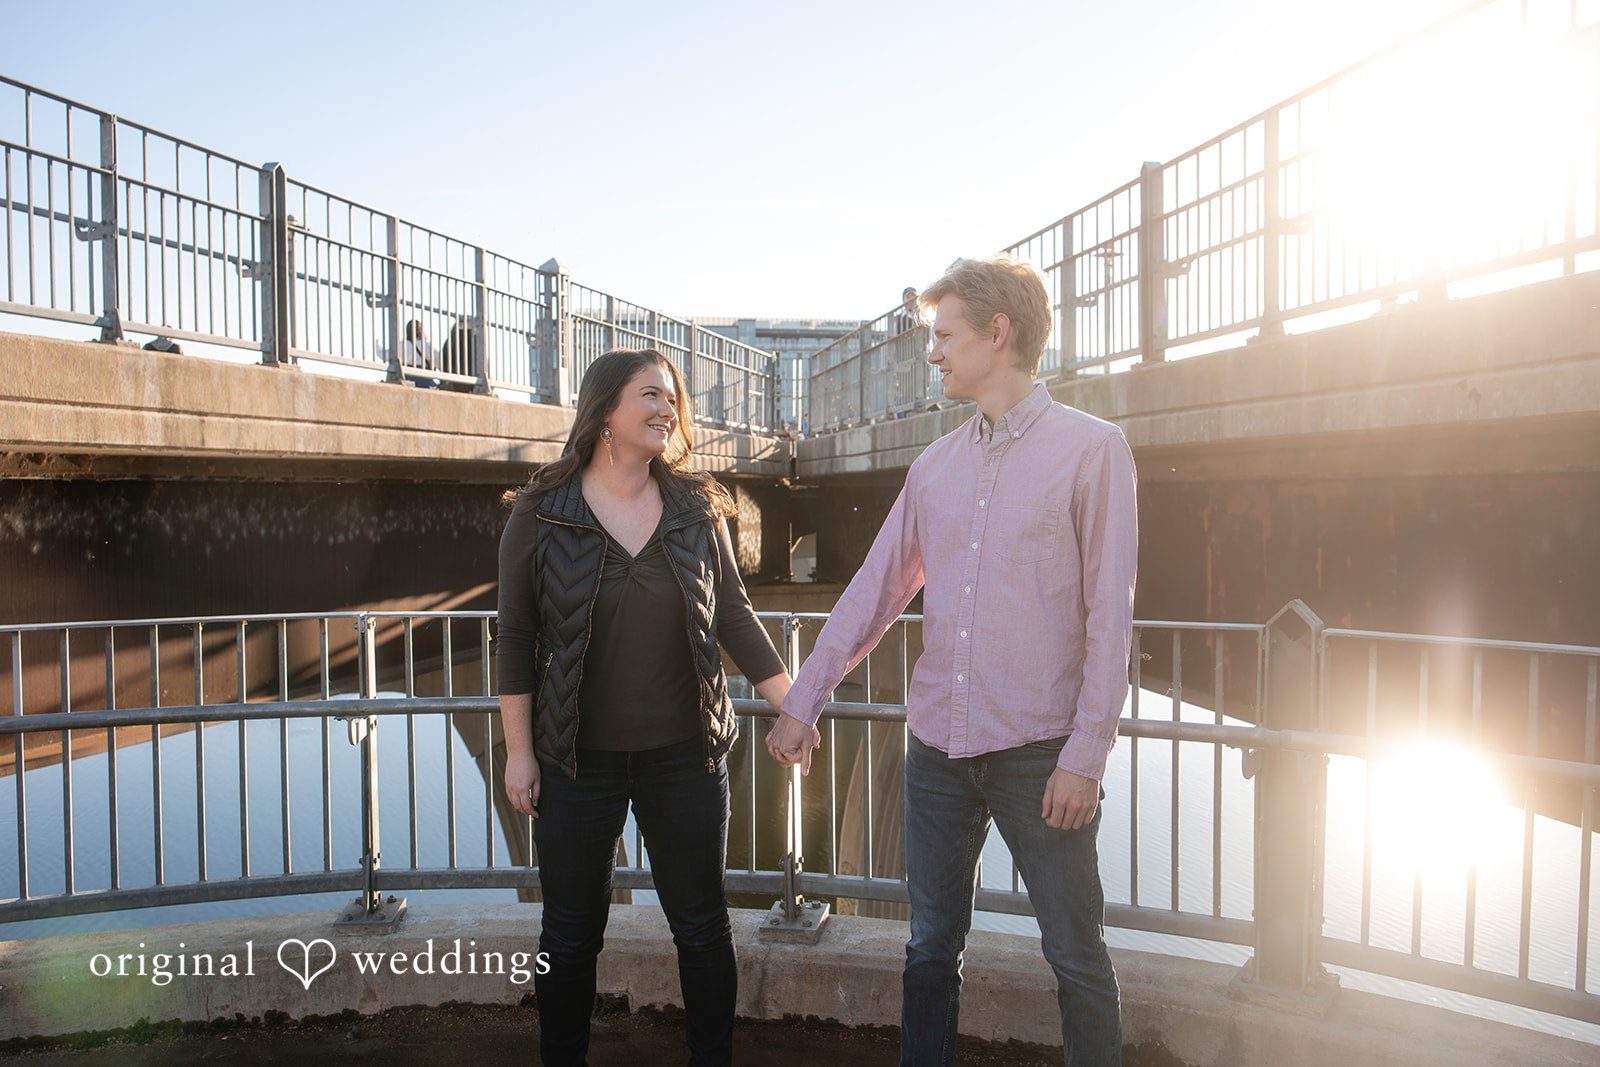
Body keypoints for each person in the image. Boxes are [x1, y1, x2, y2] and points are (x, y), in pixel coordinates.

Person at [766, 256, 1138, 1066]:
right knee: (929, 947)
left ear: (997, 334)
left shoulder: (1093, 450)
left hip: (1042, 752)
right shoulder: (934, 466)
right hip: (936, 748)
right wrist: (805, 698)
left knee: (1076, 953)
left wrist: (1086, 755)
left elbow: (1110, 618)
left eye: (944, 335)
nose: (932, 353)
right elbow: (875, 591)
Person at [494, 348, 797, 1066]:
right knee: (570, 936)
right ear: (605, 410)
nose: (669, 409)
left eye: (672, 397)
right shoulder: (541, 512)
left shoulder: (697, 508)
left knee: (702, 928)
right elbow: (516, 637)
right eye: (651, 395)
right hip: (575, 764)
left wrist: (797, 703)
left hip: (685, 760)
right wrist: (519, 752)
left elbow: (736, 618)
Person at [401, 319, 441, 389]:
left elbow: (385, 355)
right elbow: (439, 361)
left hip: (407, 378)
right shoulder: (425, 345)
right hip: (424, 379)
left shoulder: (401, 345)